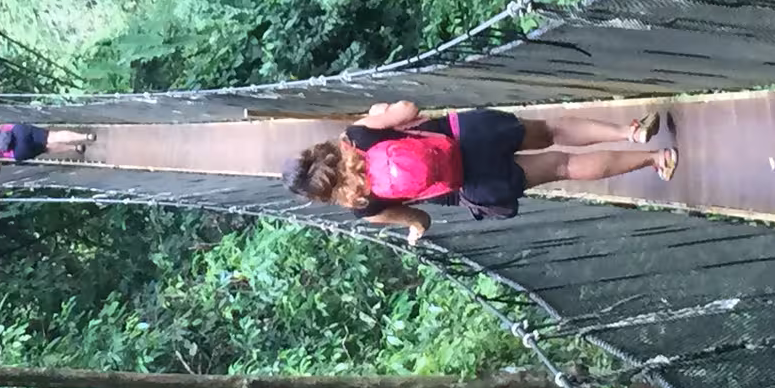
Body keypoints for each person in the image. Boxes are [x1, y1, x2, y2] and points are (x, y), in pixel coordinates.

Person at [281, 100, 675, 244]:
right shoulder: (357, 135)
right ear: (316, 154)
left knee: (564, 166)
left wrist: (414, 230)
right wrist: (381, 112)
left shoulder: (363, 206)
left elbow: (421, 217)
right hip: (469, 134)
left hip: (473, 184)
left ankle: (656, 158)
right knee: (552, 131)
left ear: (319, 192)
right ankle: (631, 131)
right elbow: (410, 110)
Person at [0, 120, 95, 177]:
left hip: (18, 150)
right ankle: (85, 136)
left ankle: (75, 148)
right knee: (53, 135)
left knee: (46, 148)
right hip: (18, 131)